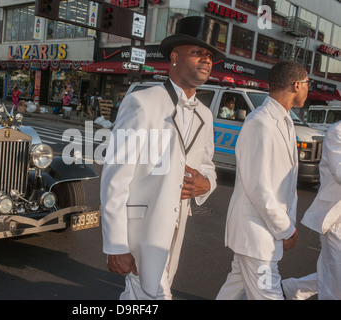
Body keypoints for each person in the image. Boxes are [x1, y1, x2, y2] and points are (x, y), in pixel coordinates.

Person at [100, 16, 224, 300]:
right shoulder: (143, 103)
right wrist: (117, 244)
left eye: (209, 56)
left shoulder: (205, 114)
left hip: (176, 228)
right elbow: (115, 177)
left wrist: (207, 184)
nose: (206, 60)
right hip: (141, 229)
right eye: (197, 53)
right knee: (154, 295)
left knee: (140, 296)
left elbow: (208, 166)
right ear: (175, 57)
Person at [216, 61, 311, 300]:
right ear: (296, 84)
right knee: (270, 295)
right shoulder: (260, 122)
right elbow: (258, 187)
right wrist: (286, 229)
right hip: (257, 234)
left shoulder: (285, 120)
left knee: (233, 292)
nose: (309, 89)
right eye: (308, 83)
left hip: (260, 233)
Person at [282, 120, 341, 300]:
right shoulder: (337, 133)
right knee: (335, 281)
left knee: (331, 274)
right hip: (336, 219)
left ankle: (291, 289)